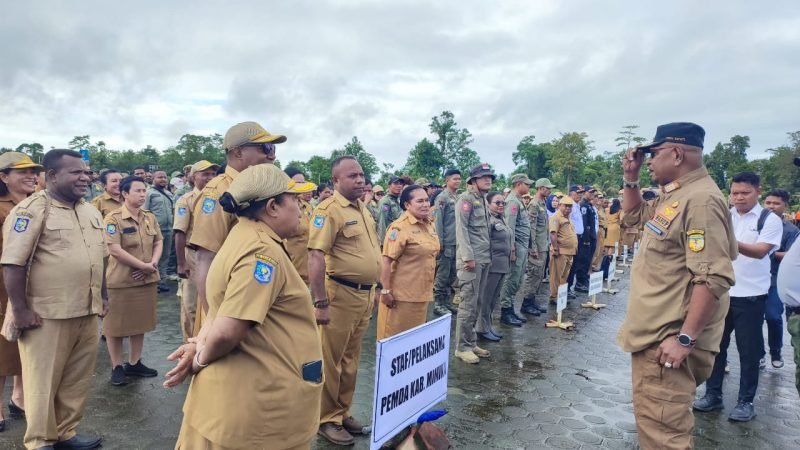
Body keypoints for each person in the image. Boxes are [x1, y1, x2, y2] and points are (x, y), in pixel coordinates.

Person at [164, 164, 322, 449]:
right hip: (256, 412)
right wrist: (200, 360)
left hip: (240, 403)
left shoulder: (242, 236)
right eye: (294, 201)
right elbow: (228, 331)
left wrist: (199, 342)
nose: (301, 208)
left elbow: (220, 306)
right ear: (272, 206)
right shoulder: (261, 251)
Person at [616, 123, 736, 449]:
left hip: (668, 344)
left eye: (654, 154)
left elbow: (712, 276)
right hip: (657, 336)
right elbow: (633, 218)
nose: (649, 161)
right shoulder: (679, 195)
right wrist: (631, 177)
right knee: (654, 428)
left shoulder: (699, 201)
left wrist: (685, 338)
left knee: (664, 437)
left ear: (678, 153)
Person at [2, 149, 108, 450]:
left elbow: (100, 257)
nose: (85, 177)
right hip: (46, 314)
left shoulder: (90, 210)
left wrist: (103, 295)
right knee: (41, 384)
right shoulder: (32, 209)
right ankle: (40, 441)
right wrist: (20, 310)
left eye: (86, 172)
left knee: (76, 380)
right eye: (76, 172)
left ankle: (65, 433)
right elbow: (13, 263)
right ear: (52, 176)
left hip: (86, 309)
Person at [694, 171, 782, 422]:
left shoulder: (769, 220)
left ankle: (746, 401)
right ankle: (712, 395)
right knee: (715, 347)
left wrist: (728, 241)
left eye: (745, 193)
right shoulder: (725, 216)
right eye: (734, 193)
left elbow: (760, 251)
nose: (739, 198)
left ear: (758, 191)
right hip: (720, 292)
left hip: (751, 295)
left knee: (749, 350)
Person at [308, 156, 381, 446]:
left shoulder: (364, 209)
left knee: (351, 360)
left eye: (362, 174)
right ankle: (326, 419)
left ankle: (343, 412)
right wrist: (321, 302)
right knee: (331, 360)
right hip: (339, 296)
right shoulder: (328, 210)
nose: (360, 180)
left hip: (364, 295)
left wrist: (378, 287)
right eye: (352, 176)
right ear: (336, 180)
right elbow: (315, 256)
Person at [189, 121, 284, 336]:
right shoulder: (218, 190)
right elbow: (205, 257)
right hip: (227, 305)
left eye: (273, 149)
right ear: (238, 152)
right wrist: (212, 319)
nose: (272, 156)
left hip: (253, 300)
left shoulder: (261, 188)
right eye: (265, 148)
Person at [102, 176, 163, 386]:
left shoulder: (149, 217)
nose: (142, 194)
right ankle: (117, 366)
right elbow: (114, 249)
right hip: (121, 281)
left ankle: (134, 362)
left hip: (146, 280)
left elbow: (159, 242)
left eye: (144, 190)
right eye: (137, 190)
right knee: (114, 326)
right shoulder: (113, 219)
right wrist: (142, 266)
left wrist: (152, 264)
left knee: (140, 323)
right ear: (125, 194)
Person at [0, 153, 42, 432]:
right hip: (3, 289)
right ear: (3, 177)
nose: (31, 176)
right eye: (22, 172)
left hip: (31, 287)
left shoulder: (36, 204)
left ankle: (19, 398)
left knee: (22, 347)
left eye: (33, 171)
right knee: (2, 349)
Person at [377, 184, 439, 340]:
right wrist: (385, 291)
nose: (425, 204)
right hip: (401, 298)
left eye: (427, 200)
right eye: (419, 201)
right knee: (394, 341)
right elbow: (386, 261)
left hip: (421, 294)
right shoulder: (399, 228)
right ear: (407, 205)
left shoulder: (429, 225)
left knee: (413, 343)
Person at [173, 160, 219, 343]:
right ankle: (190, 344)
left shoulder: (217, 199)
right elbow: (179, 233)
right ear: (193, 177)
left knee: (212, 301)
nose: (210, 178)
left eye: (213, 174)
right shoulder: (186, 201)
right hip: (192, 255)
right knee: (191, 305)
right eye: (205, 174)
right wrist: (181, 263)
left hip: (214, 255)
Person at [453, 163, 495, 365]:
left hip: (483, 258)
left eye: (490, 177)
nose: (488, 180)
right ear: (473, 180)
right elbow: (461, 230)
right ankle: (462, 347)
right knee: (468, 304)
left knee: (477, 302)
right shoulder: (466, 199)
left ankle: (471, 342)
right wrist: (467, 257)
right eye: (484, 177)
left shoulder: (482, 200)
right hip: (471, 261)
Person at [762, 189, 799, 368]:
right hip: (754, 279)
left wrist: (766, 250)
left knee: (773, 317)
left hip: (776, 279)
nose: (771, 206)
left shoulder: (791, 230)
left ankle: (775, 352)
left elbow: (791, 255)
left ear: (785, 205)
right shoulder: (757, 224)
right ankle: (759, 353)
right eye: (768, 202)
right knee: (752, 320)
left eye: (776, 203)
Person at [497, 174, 532, 326]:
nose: (529, 187)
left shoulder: (518, 201)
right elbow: (510, 227)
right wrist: (511, 249)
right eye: (527, 184)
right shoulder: (512, 201)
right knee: (512, 278)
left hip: (522, 246)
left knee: (518, 279)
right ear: (519, 184)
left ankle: (510, 308)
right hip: (516, 245)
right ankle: (505, 310)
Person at [477, 192, 512, 341]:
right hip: (492, 265)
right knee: (486, 298)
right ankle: (481, 328)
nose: (500, 205)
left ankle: (488, 325)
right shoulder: (488, 220)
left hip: (502, 264)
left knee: (493, 299)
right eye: (497, 203)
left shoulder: (501, 219)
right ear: (488, 204)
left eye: (503, 203)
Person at [521, 178, 556, 315]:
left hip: (543, 246)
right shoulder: (534, 204)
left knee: (539, 275)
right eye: (548, 188)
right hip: (537, 247)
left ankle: (532, 301)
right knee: (533, 274)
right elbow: (531, 228)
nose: (550, 190)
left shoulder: (542, 203)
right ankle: (526, 303)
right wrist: (533, 247)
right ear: (541, 188)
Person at [432, 169, 462, 316]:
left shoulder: (458, 197)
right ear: (447, 181)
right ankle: (438, 303)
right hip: (446, 241)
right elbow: (438, 220)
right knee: (442, 274)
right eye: (454, 179)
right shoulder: (442, 198)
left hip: (456, 242)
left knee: (452, 274)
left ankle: (446, 301)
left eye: (459, 179)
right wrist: (439, 241)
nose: (457, 181)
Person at [283, 167, 317, 285]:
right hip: (292, 272)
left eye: (303, 182)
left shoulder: (308, 207)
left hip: (310, 272)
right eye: (298, 183)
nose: (301, 186)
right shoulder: (282, 208)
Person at [144, 170, 174, 293]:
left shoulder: (169, 193)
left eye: (164, 177)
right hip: (155, 231)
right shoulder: (148, 193)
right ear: (153, 179)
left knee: (166, 255)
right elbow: (144, 211)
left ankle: (162, 280)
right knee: (154, 255)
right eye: (159, 177)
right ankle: (153, 281)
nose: (163, 179)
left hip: (168, 229)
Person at [548, 196, 578, 302]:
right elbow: (553, 234)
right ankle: (554, 296)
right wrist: (555, 249)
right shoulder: (556, 217)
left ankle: (560, 296)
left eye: (570, 206)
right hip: (560, 252)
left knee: (564, 276)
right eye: (566, 206)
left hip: (570, 252)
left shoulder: (568, 218)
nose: (568, 208)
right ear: (560, 205)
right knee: (556, 276)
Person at [571, 186, 597, 293]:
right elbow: (585, 224)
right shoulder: (583, 206)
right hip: (586, 238)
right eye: (590, 192)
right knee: (583, 260)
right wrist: (586, 239)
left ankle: (584, 279)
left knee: (587, 260)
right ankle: (580, 282)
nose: (591, 195)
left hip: (591, 236)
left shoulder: (588, 205)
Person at [377, 176, 406, 244]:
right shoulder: (385, 201)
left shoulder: (399, 199)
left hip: (400, 237)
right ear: (389, 185)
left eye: (400, 184)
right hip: (391, 238)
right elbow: (382, 222)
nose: (399, 186)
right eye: (395, 183)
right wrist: (383, 243)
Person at [601, 198, 622, 279]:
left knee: (606, 245)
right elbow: (622, 220)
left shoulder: (606, 210)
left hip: (607, 228)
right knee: (612, 246)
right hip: (615, 229)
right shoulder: (619, 210)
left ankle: (604, 261)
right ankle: (608, 262)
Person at [591, 192, 607, 271]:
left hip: (603, 229)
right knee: (596, 248)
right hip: (598, 229)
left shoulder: (602, 209)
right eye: (599, 198)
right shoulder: (595, 208)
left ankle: (596, 264)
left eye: (602, 198)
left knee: (601, 248)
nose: (601, 199)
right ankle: (593, 264)